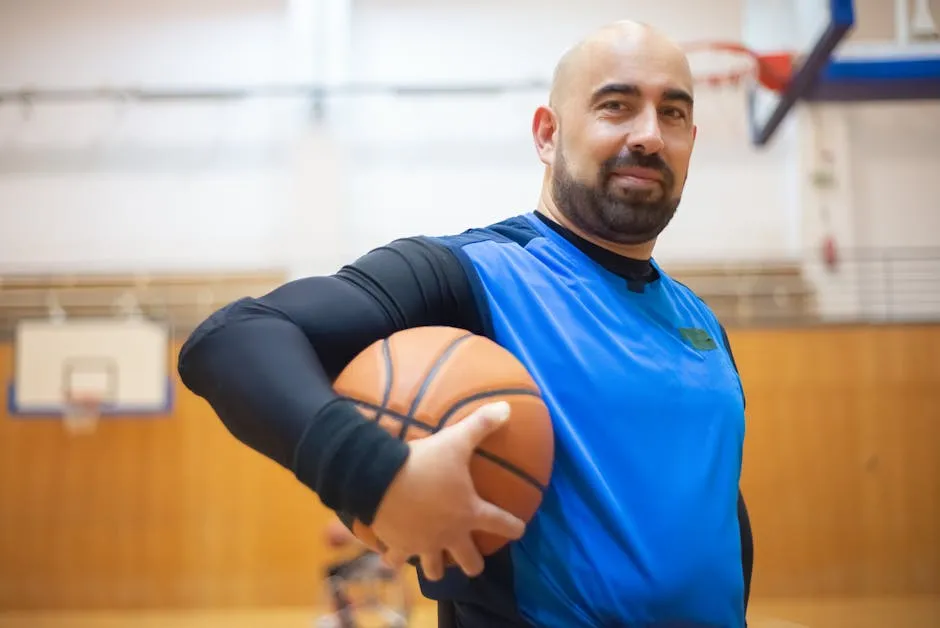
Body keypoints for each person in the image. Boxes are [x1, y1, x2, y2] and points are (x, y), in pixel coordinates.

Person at [178, 19, 753, 628]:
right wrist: (376, 476)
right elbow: (232, 339)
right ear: (547, 134)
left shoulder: (701, 324)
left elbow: (713, 516)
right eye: (616, 106)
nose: (648, 135)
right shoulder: (468, 274)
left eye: (672, 114)